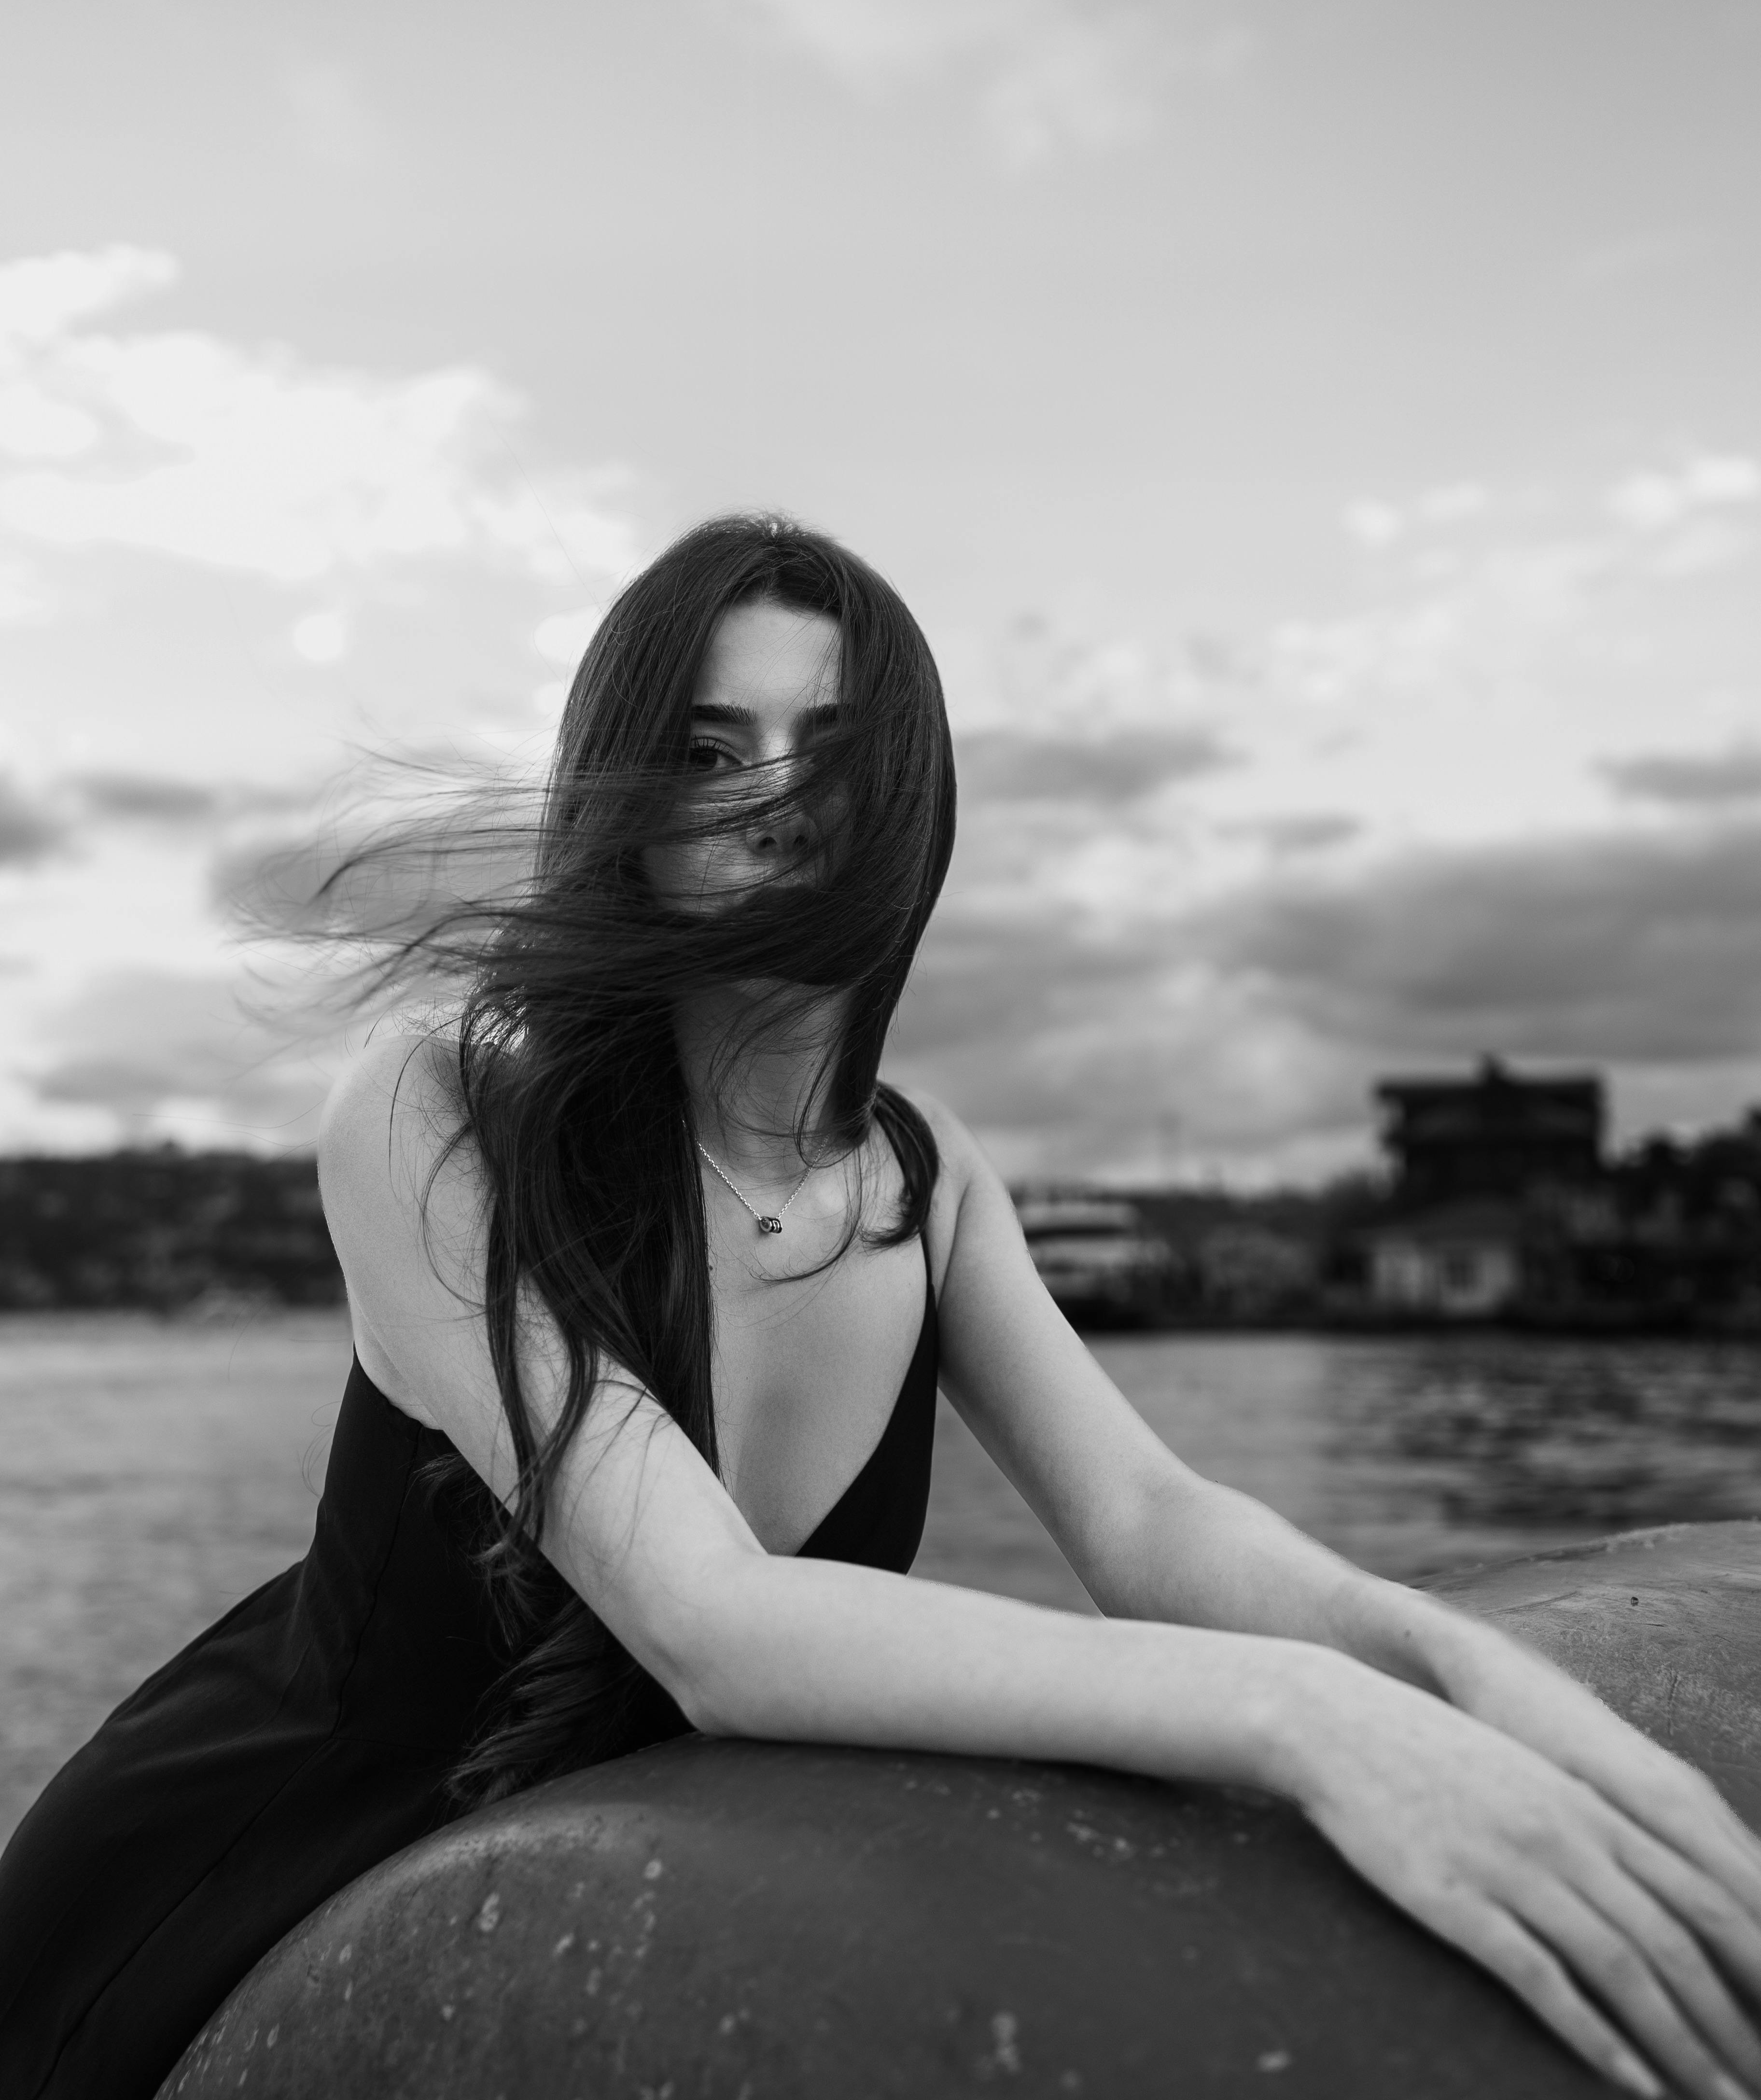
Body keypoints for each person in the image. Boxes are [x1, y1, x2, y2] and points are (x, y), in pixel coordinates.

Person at [2, 515, 1758, 2100]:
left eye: (830, 750)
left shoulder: (926, 1173)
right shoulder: (435, 1108)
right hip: (238, 1865)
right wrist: (1307, 1721)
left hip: (599, 1923)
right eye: (708, 745)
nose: (775, 792)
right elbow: (713, 1619)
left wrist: (1448, 1665)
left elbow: (1150, 1521)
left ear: (903, 789)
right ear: (621, 785)